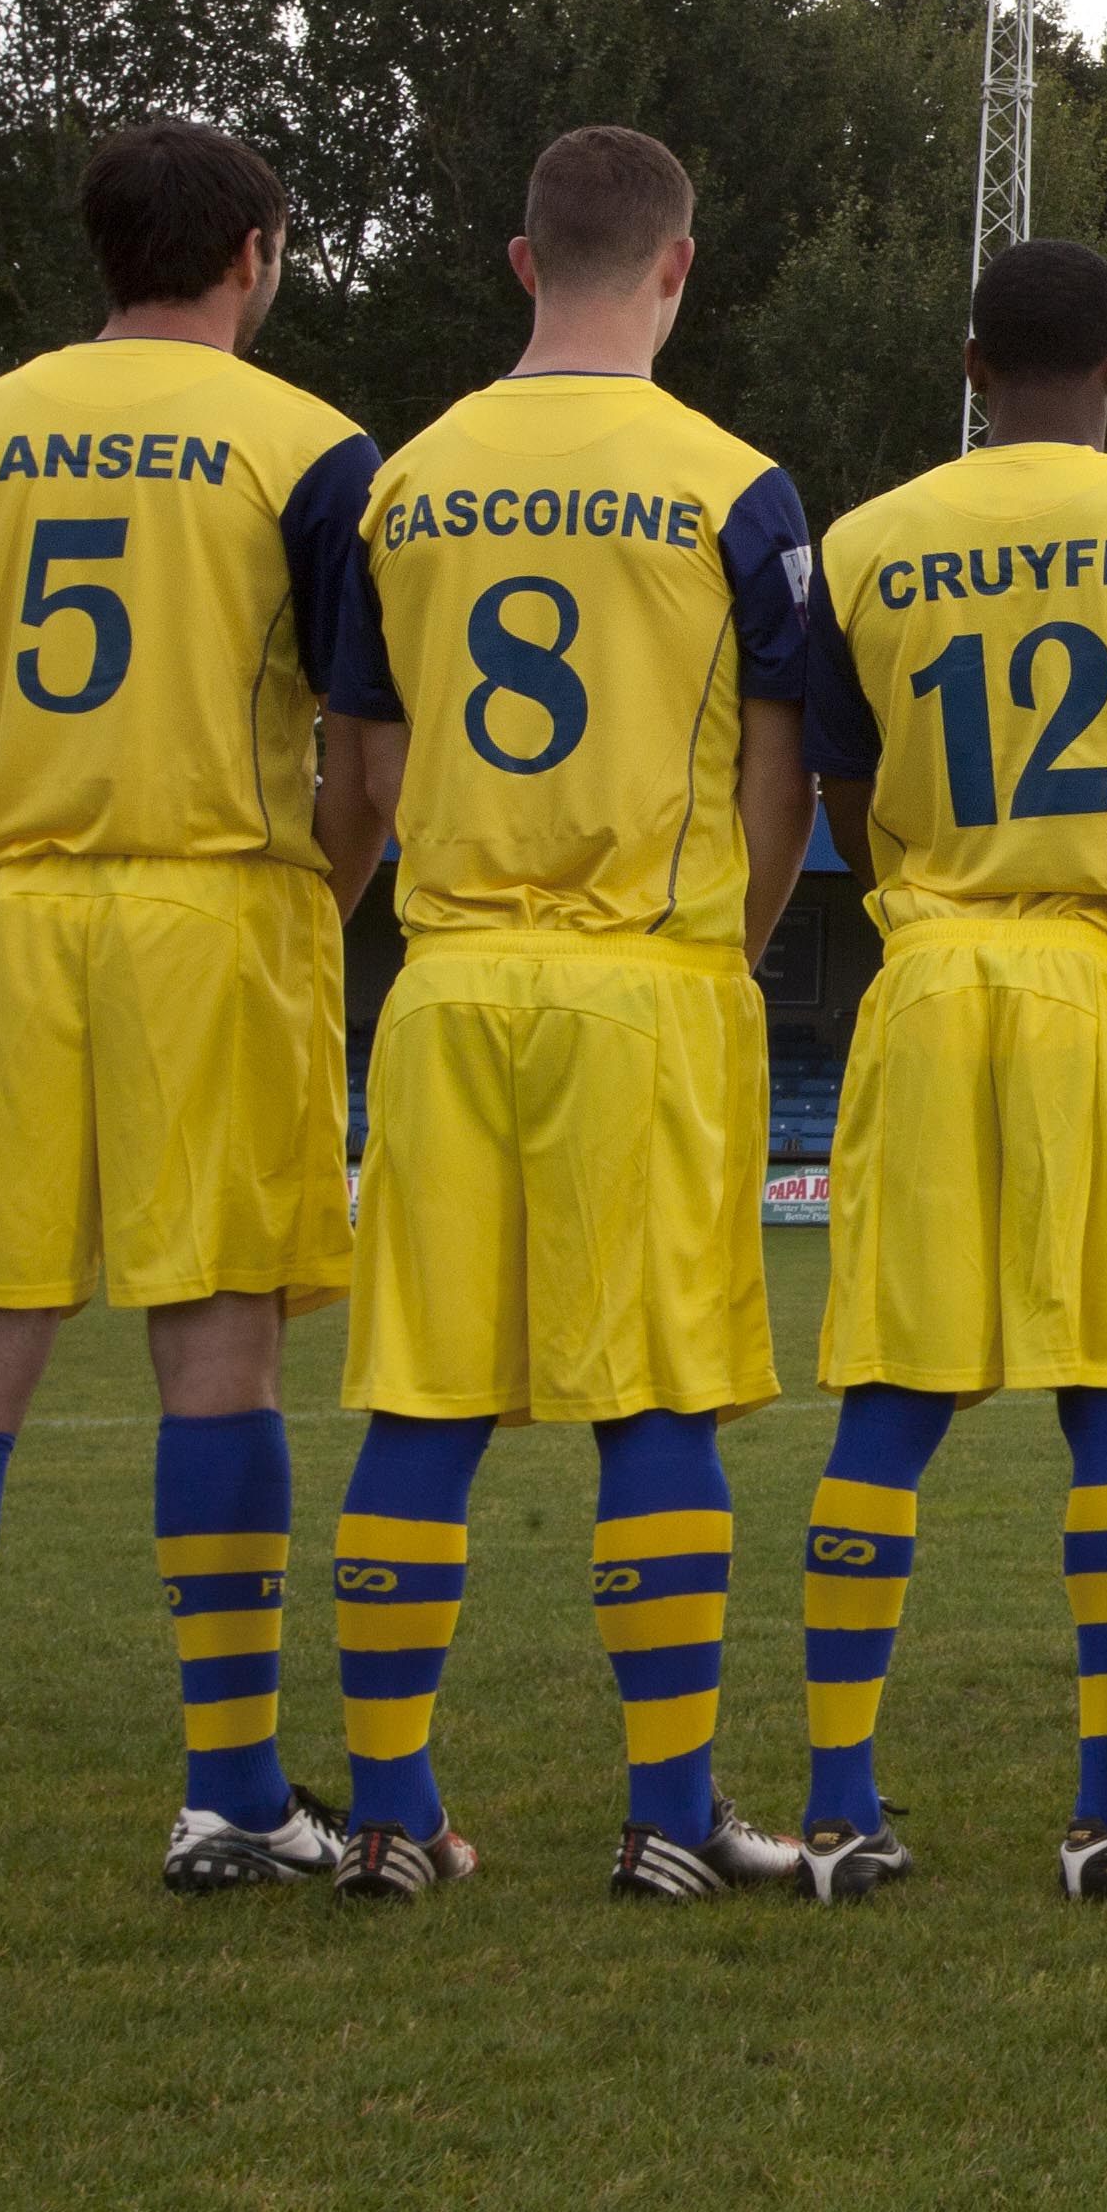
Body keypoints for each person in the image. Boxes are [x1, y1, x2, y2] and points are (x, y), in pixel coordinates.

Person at [0, 118, 392, 1896]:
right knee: (217, 1344)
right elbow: (366, 766)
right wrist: (308, 886)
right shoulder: (308, 446)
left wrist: (28, 839)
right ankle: (230, 1788)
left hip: (2, 912)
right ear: (254, 255)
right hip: (212, 909)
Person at [311, 126, 821, 1902]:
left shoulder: (406, 482)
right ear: (677, 269)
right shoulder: (736, 486)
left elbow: (363, 770)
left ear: (523, 264)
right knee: (655, 1398)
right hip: (645, 980)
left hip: (447, 979)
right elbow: (781, 784)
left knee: (424, 1402)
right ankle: (669, 1822)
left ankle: (391, 1814)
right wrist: (729, 950)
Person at [786, 239, 1107, 1903]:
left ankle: (842, 1805)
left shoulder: (862, 541)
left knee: (892, 1398)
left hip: (927, 975)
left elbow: (842, 800)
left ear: (974, 366)